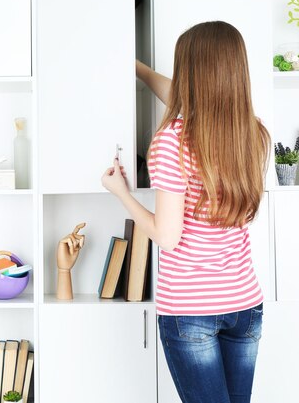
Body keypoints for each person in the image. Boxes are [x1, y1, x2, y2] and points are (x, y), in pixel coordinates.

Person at [101, 21, 270, 403]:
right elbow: (188, 101)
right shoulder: (252, 134)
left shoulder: (171, 142)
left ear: (190, 74)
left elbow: (166, 236)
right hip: (244, 303)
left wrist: (121, 193)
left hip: (191, 309)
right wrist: (141, 71)